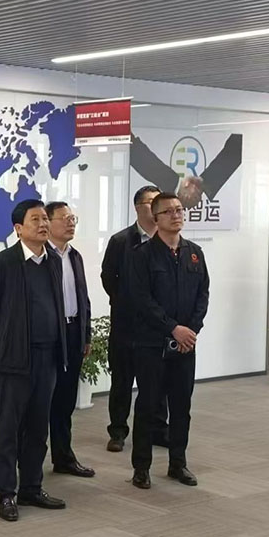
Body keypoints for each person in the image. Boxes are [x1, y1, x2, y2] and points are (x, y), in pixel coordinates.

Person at [0, 199, 67, 522]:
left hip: (47, 357)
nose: (43, 224)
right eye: (35, 220)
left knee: (38, 427)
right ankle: (6, 493)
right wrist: (5, 341)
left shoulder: (54, 261)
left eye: (45, 219)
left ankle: (31, 486)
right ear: (18, 228)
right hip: (13, 360)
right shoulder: (2, 264)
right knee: (10, 429)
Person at [129, 192, 209, 490]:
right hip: (152, 345)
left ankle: (178, 463)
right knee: (148, 406)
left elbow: (203, 295)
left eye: (179, 210)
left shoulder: (194, 253)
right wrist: (173, 328)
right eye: (169, 212)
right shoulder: (142, 255)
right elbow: (141, 300)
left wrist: (190, 331)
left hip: (185, 346)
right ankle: (141, 467)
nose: (176, 215)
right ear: (155, 217)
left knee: (181, 406)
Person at [100, 186, 168, 452]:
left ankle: (158, 429)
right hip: (126, 325)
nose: (156, 206)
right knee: (122, 381)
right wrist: (127, 302)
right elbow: (108, 277)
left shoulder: (167, 240)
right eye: (151, 202)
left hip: (158, 326)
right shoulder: (120, 241)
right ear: (138, 207)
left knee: (158, 382)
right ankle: (118, 431)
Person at [45, 202, 95, 478]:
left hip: (73, 331)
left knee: (65, 400)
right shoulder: (41, 257)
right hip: (49, 335)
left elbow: (83, 298)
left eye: (72, 218)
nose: (70, 222)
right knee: (41, 401)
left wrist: (86, 334)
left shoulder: (75, 256)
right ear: (48, 222)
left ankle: (63, 456)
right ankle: (30, 463)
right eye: (64, 218)